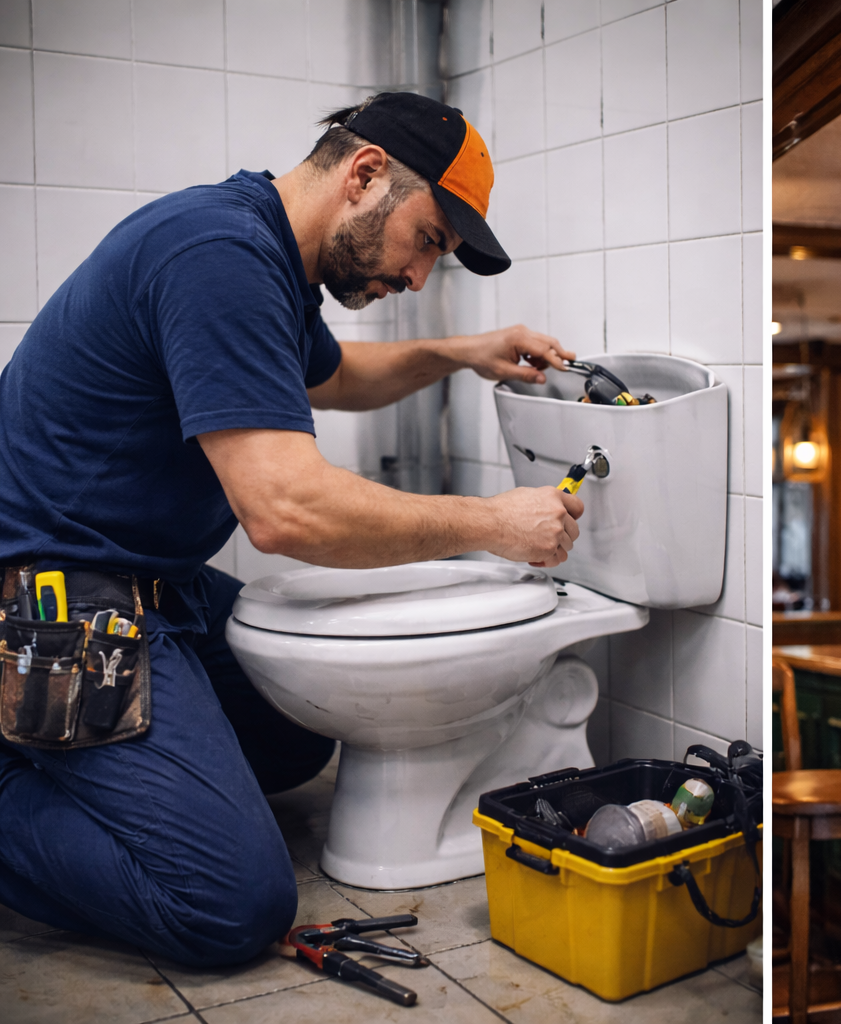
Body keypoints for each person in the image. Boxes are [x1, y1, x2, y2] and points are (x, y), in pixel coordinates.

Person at [0, 92, 584, 966]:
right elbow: (284, 511)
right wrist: (494, 523)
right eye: (428, 238)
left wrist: (457, 352)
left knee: (296, 731)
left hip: (154, 579)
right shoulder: (218, 255)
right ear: (365, 173)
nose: (421, 276)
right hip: (53, 598)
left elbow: (335, 375)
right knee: (229, 904)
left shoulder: (264, 251)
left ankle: (97, 757)